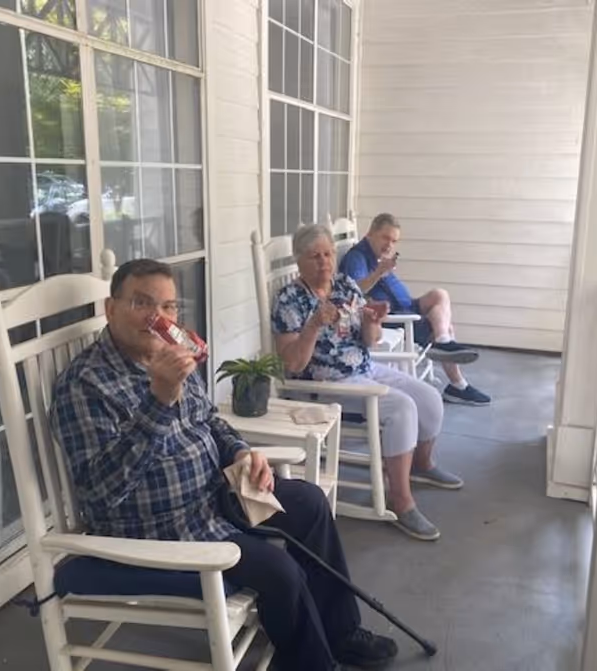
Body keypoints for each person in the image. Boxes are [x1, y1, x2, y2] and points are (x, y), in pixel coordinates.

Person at [49, 259, 397, 671]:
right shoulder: (84, 384)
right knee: (280, 571)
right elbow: (100, 493)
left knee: (309, 503)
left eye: (169, 306)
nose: (158, 317)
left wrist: (240, 454)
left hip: (216, 493)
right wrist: (159, 401)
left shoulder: (171, 350)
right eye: (142, 303)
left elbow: (209, 420)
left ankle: (339, 632)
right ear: (111, 309)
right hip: (158, 529)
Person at [272, 224, 463, 543]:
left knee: (429, 397)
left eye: (329, 253)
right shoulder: (289, 300)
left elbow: (370, 341)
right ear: (299, 261)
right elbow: (293, 363)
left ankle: (421, 464)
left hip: (364, 367)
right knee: (402, 408)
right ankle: (400, 501)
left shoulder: (346, 286)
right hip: (323, 384)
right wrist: (314, 325)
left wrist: (372, 322)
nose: (324, 262)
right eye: (315, 256)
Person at [339, 213, 492, 407]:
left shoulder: (377, 256)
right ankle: (457, 383)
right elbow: (354, 291)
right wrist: (379, 272)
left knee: (440, 295)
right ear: (370, 233)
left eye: (394, 241)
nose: (389, 245)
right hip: (396, 318)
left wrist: (382, 269)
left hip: (407, 307)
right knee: (445, 326)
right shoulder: (357, 257)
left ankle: (443, 343)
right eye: (385, 238)